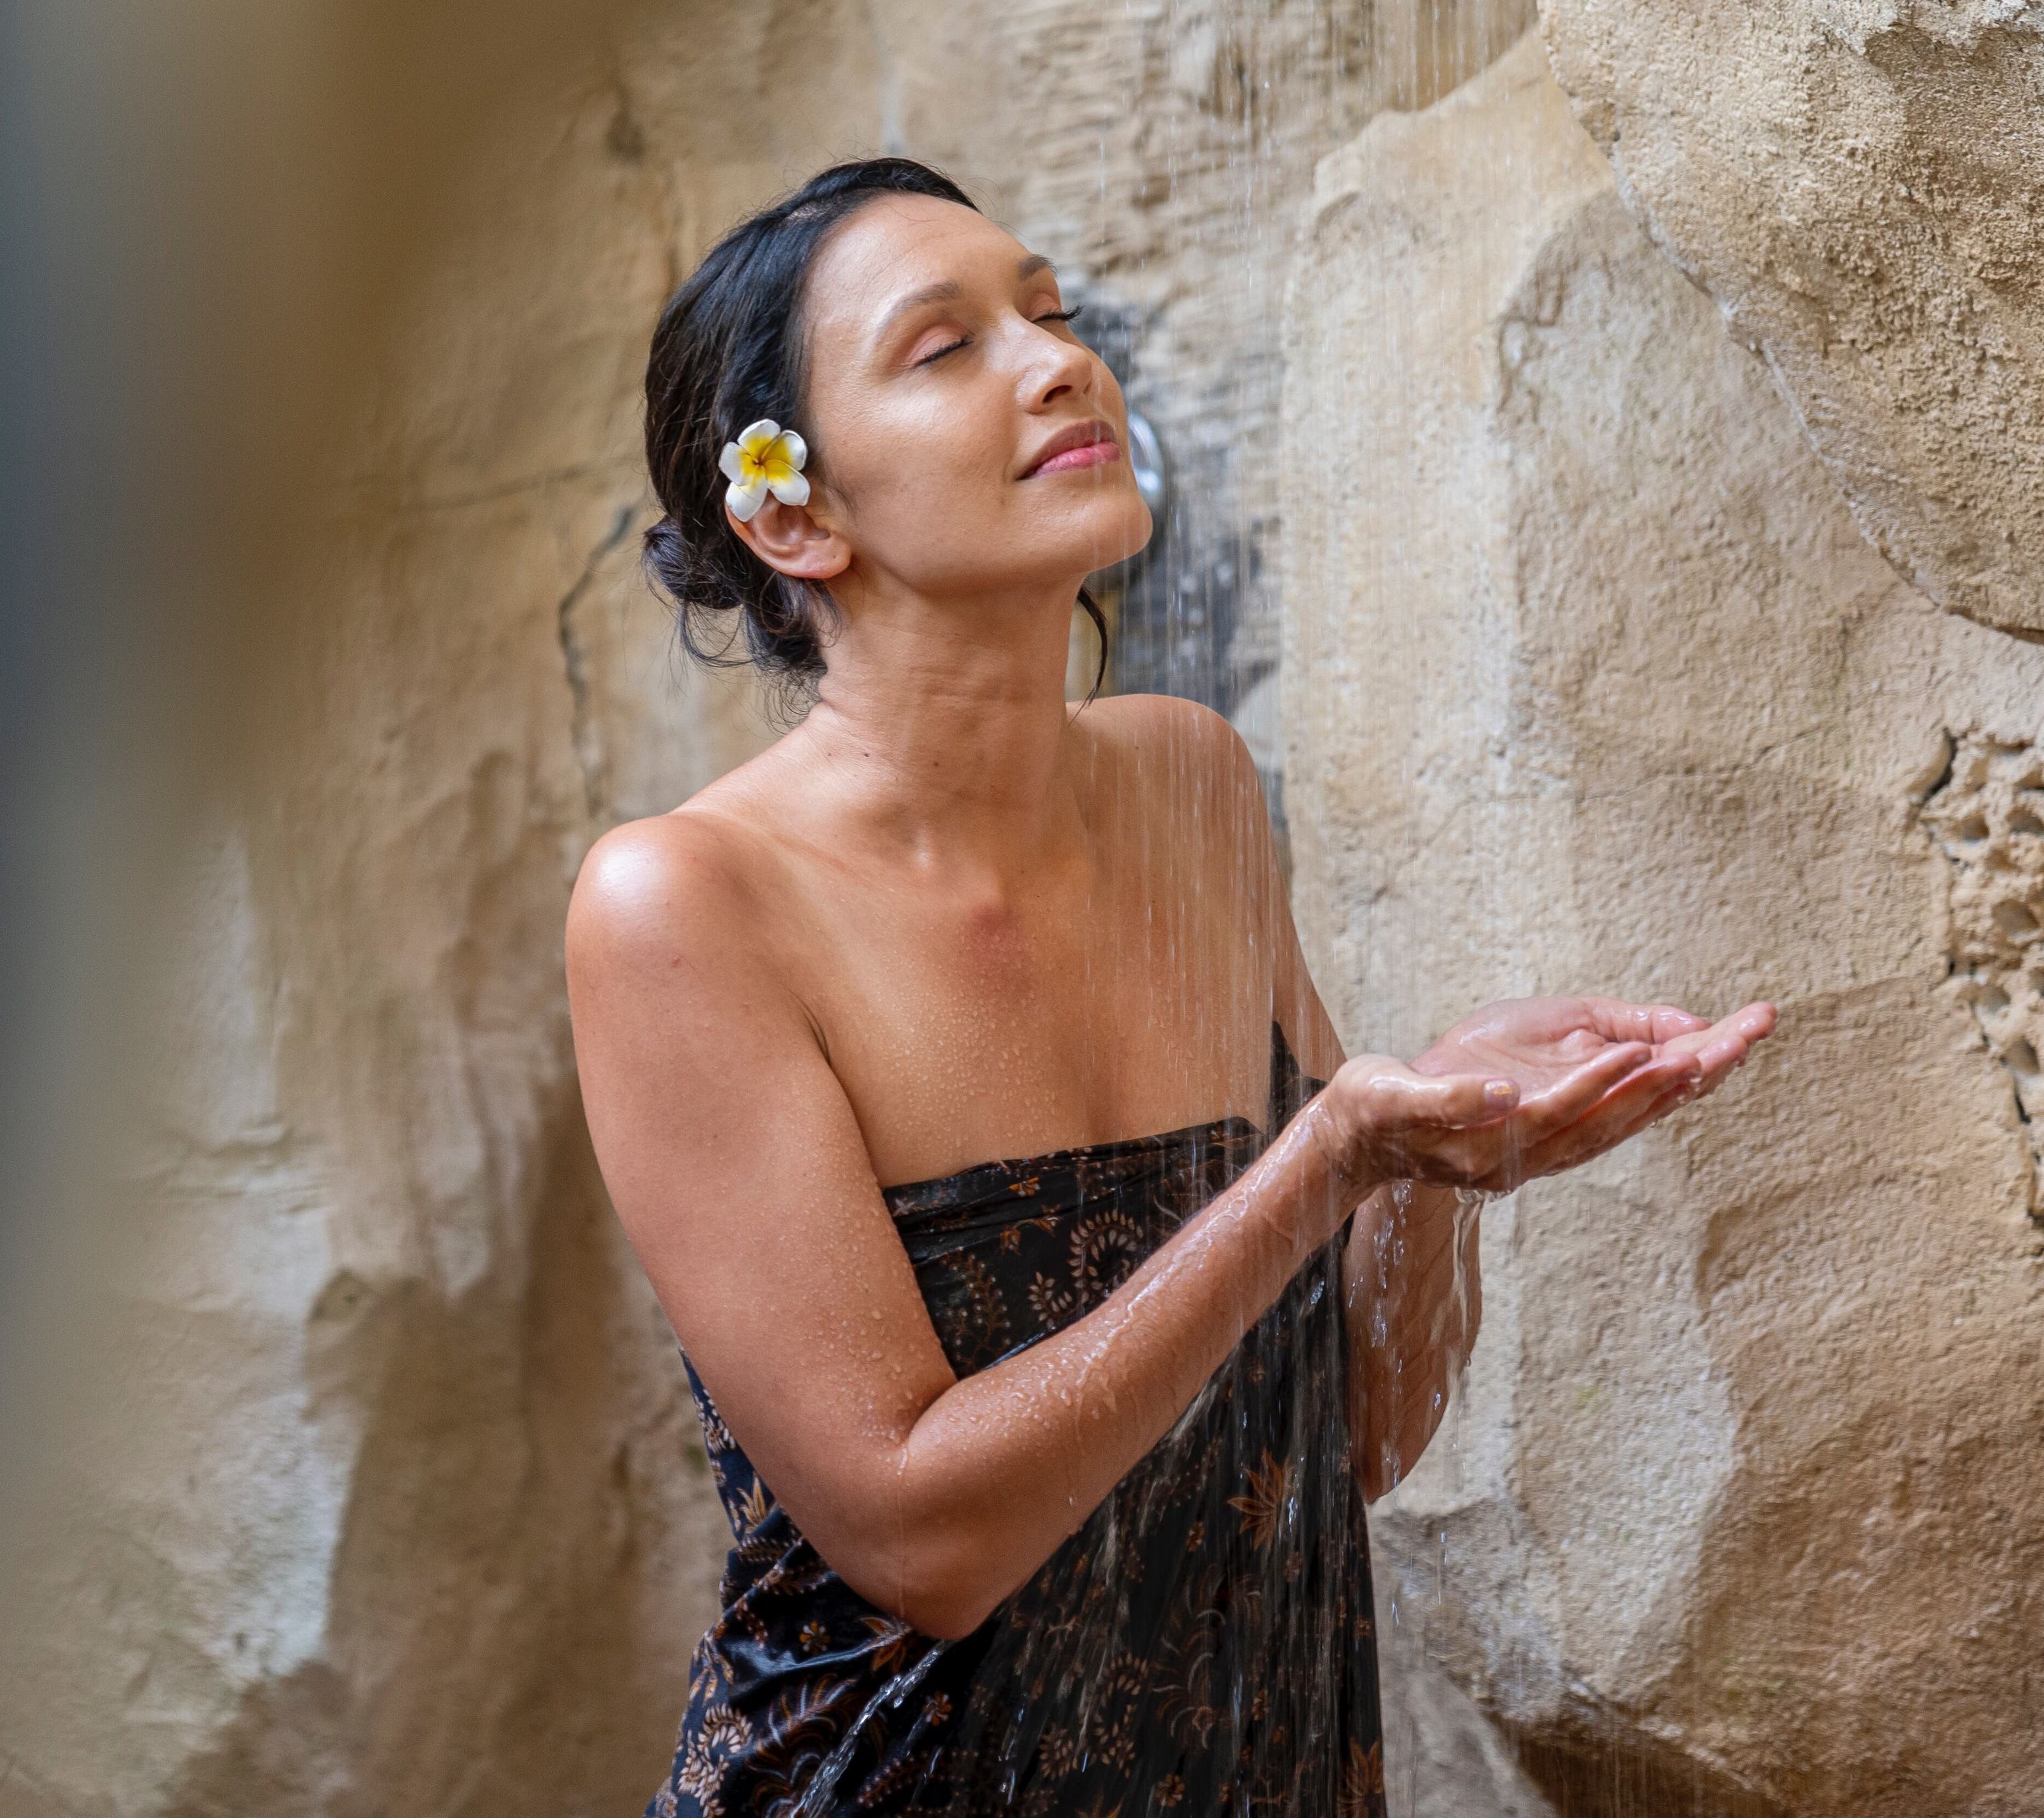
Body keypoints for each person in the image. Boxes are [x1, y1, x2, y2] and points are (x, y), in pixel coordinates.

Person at [565, 158, 1773, 1818]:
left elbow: (1348, 1431)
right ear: (794, 514)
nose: (1060, 359)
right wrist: (1328, 1160)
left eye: (1049, 312)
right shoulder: (687, 906)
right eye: (945, 347)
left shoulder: (1188, 781)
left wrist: (1433, 1170)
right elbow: (926, 1539)